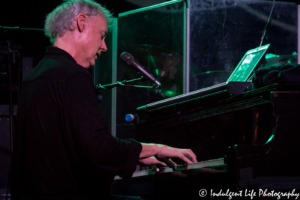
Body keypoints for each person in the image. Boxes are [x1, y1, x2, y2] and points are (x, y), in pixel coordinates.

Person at [11, 0, 197, 199]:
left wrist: (136, 157)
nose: (105, 46)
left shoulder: (36, 76)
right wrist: (159, 149)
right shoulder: (73, 75)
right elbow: (99, 148)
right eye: (102, 36)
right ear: (81, 22)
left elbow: (67, 152)